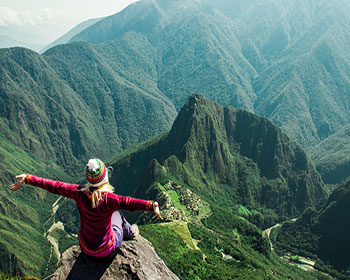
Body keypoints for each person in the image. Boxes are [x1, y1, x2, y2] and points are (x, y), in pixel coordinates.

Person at [10, 158, 163, 258]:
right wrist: (150, 205)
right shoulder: (108, 199)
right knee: (118, 215)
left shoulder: (78, 193)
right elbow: (128, 203)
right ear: (105, 178)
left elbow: (54, 186)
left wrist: (29, 179)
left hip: (85, 247)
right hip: (106, 250)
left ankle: (128, 232)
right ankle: (131, 232)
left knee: (114, 214)